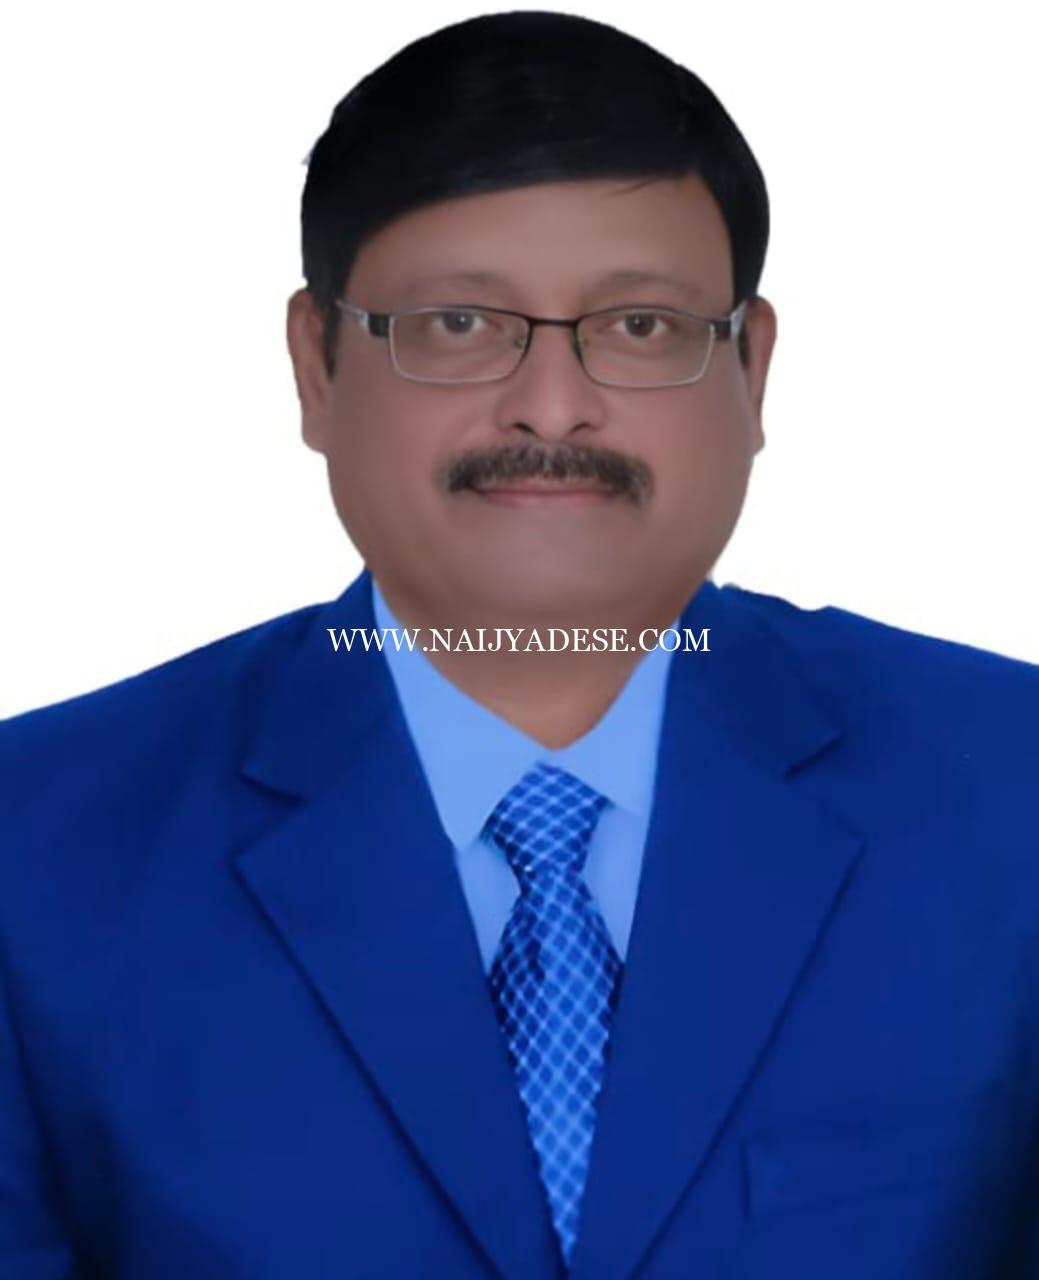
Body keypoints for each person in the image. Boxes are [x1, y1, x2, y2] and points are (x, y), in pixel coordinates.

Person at [1, 10, 1036, 1278]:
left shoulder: (1012, 787)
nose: (552, 407)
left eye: (642, 326)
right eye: (456, 324)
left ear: (752, 371)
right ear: (316, 366)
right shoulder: (33, 842)